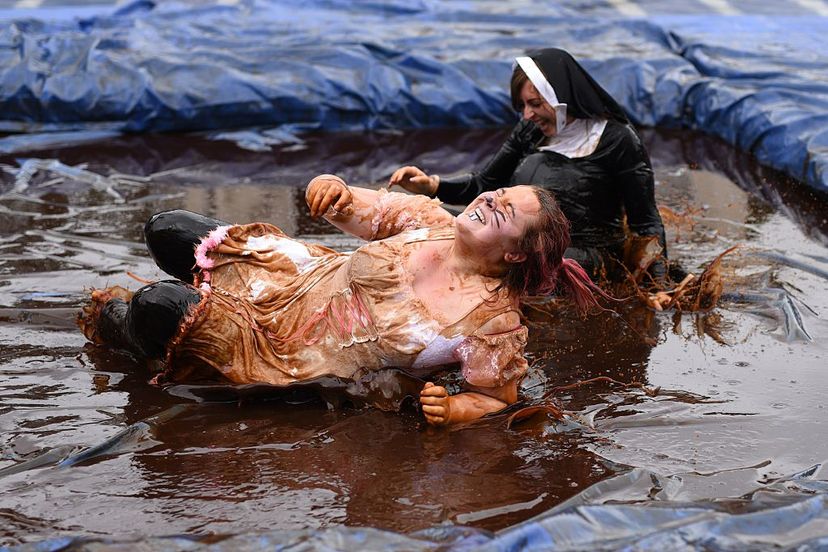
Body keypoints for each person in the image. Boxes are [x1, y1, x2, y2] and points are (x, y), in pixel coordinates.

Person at [79, 175, 604, 426]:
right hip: (292, 277)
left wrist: (452, 408)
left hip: (291, 350)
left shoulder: (493, 324)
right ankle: (176, 307)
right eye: (498, 193)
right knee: (167, 229)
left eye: (505, 211)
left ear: (516, 255)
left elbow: (497, 398)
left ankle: (124, 328)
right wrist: (332, 190)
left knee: (157, 308)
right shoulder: (430, 222)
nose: (490, 199)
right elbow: (360, 209)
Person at [389, 47, 668, 288]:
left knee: (508, 259)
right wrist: (432, 186)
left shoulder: (618, 140)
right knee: (428, 218)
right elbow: (485, 183)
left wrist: (659, 285)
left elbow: (646, 222)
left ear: (563, 97)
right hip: (519, 242)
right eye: (523, 105)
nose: (527, 114)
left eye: (535, 103)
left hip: (586, 255)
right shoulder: (531, 129)